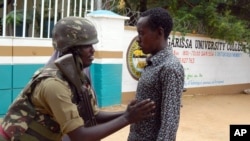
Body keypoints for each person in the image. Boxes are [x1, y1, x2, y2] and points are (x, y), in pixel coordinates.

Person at [0, 16, 156, 141]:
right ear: (71, 49)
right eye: (87, 45)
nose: (93, 50)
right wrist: (128, 118)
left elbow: (94, 115)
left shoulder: (77, 77)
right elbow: (79, 136)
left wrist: (126, 113)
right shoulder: (53, 84)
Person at [128, 7, 185, 141]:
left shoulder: (170, 67)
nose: (138, 39)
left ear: (159, 32)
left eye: (142, 33)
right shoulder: (153, 63)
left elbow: (169, 124)